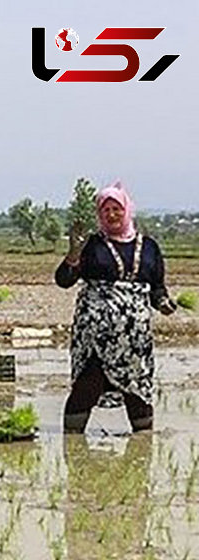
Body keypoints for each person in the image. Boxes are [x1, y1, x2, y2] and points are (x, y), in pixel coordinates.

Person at [56, 181, 174, 433]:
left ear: (127, 210)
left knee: (138, 393)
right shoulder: (91, 245)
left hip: (134, 340)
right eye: (105, 210)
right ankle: (73, 446)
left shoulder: (150, 247)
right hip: (96, 338)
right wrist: (74, 254)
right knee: (86, 387)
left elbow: (157, 288)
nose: (111, 215)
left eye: (116, 209)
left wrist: (163, 303)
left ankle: (143, 447)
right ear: (99, 214)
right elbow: (63, 280)